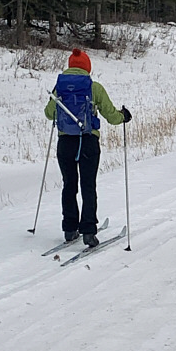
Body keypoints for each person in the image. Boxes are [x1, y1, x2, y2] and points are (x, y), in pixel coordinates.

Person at [44, 48, 131, 248]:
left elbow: (49, 114)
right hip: (88, 142)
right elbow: (110, 115)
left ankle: (69, 228)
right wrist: (123, 116)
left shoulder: (59, 88)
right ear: (87, 67)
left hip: (65, 143)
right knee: (88, 185)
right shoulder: (94, 88)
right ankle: (89, 232)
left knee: (69, 184)